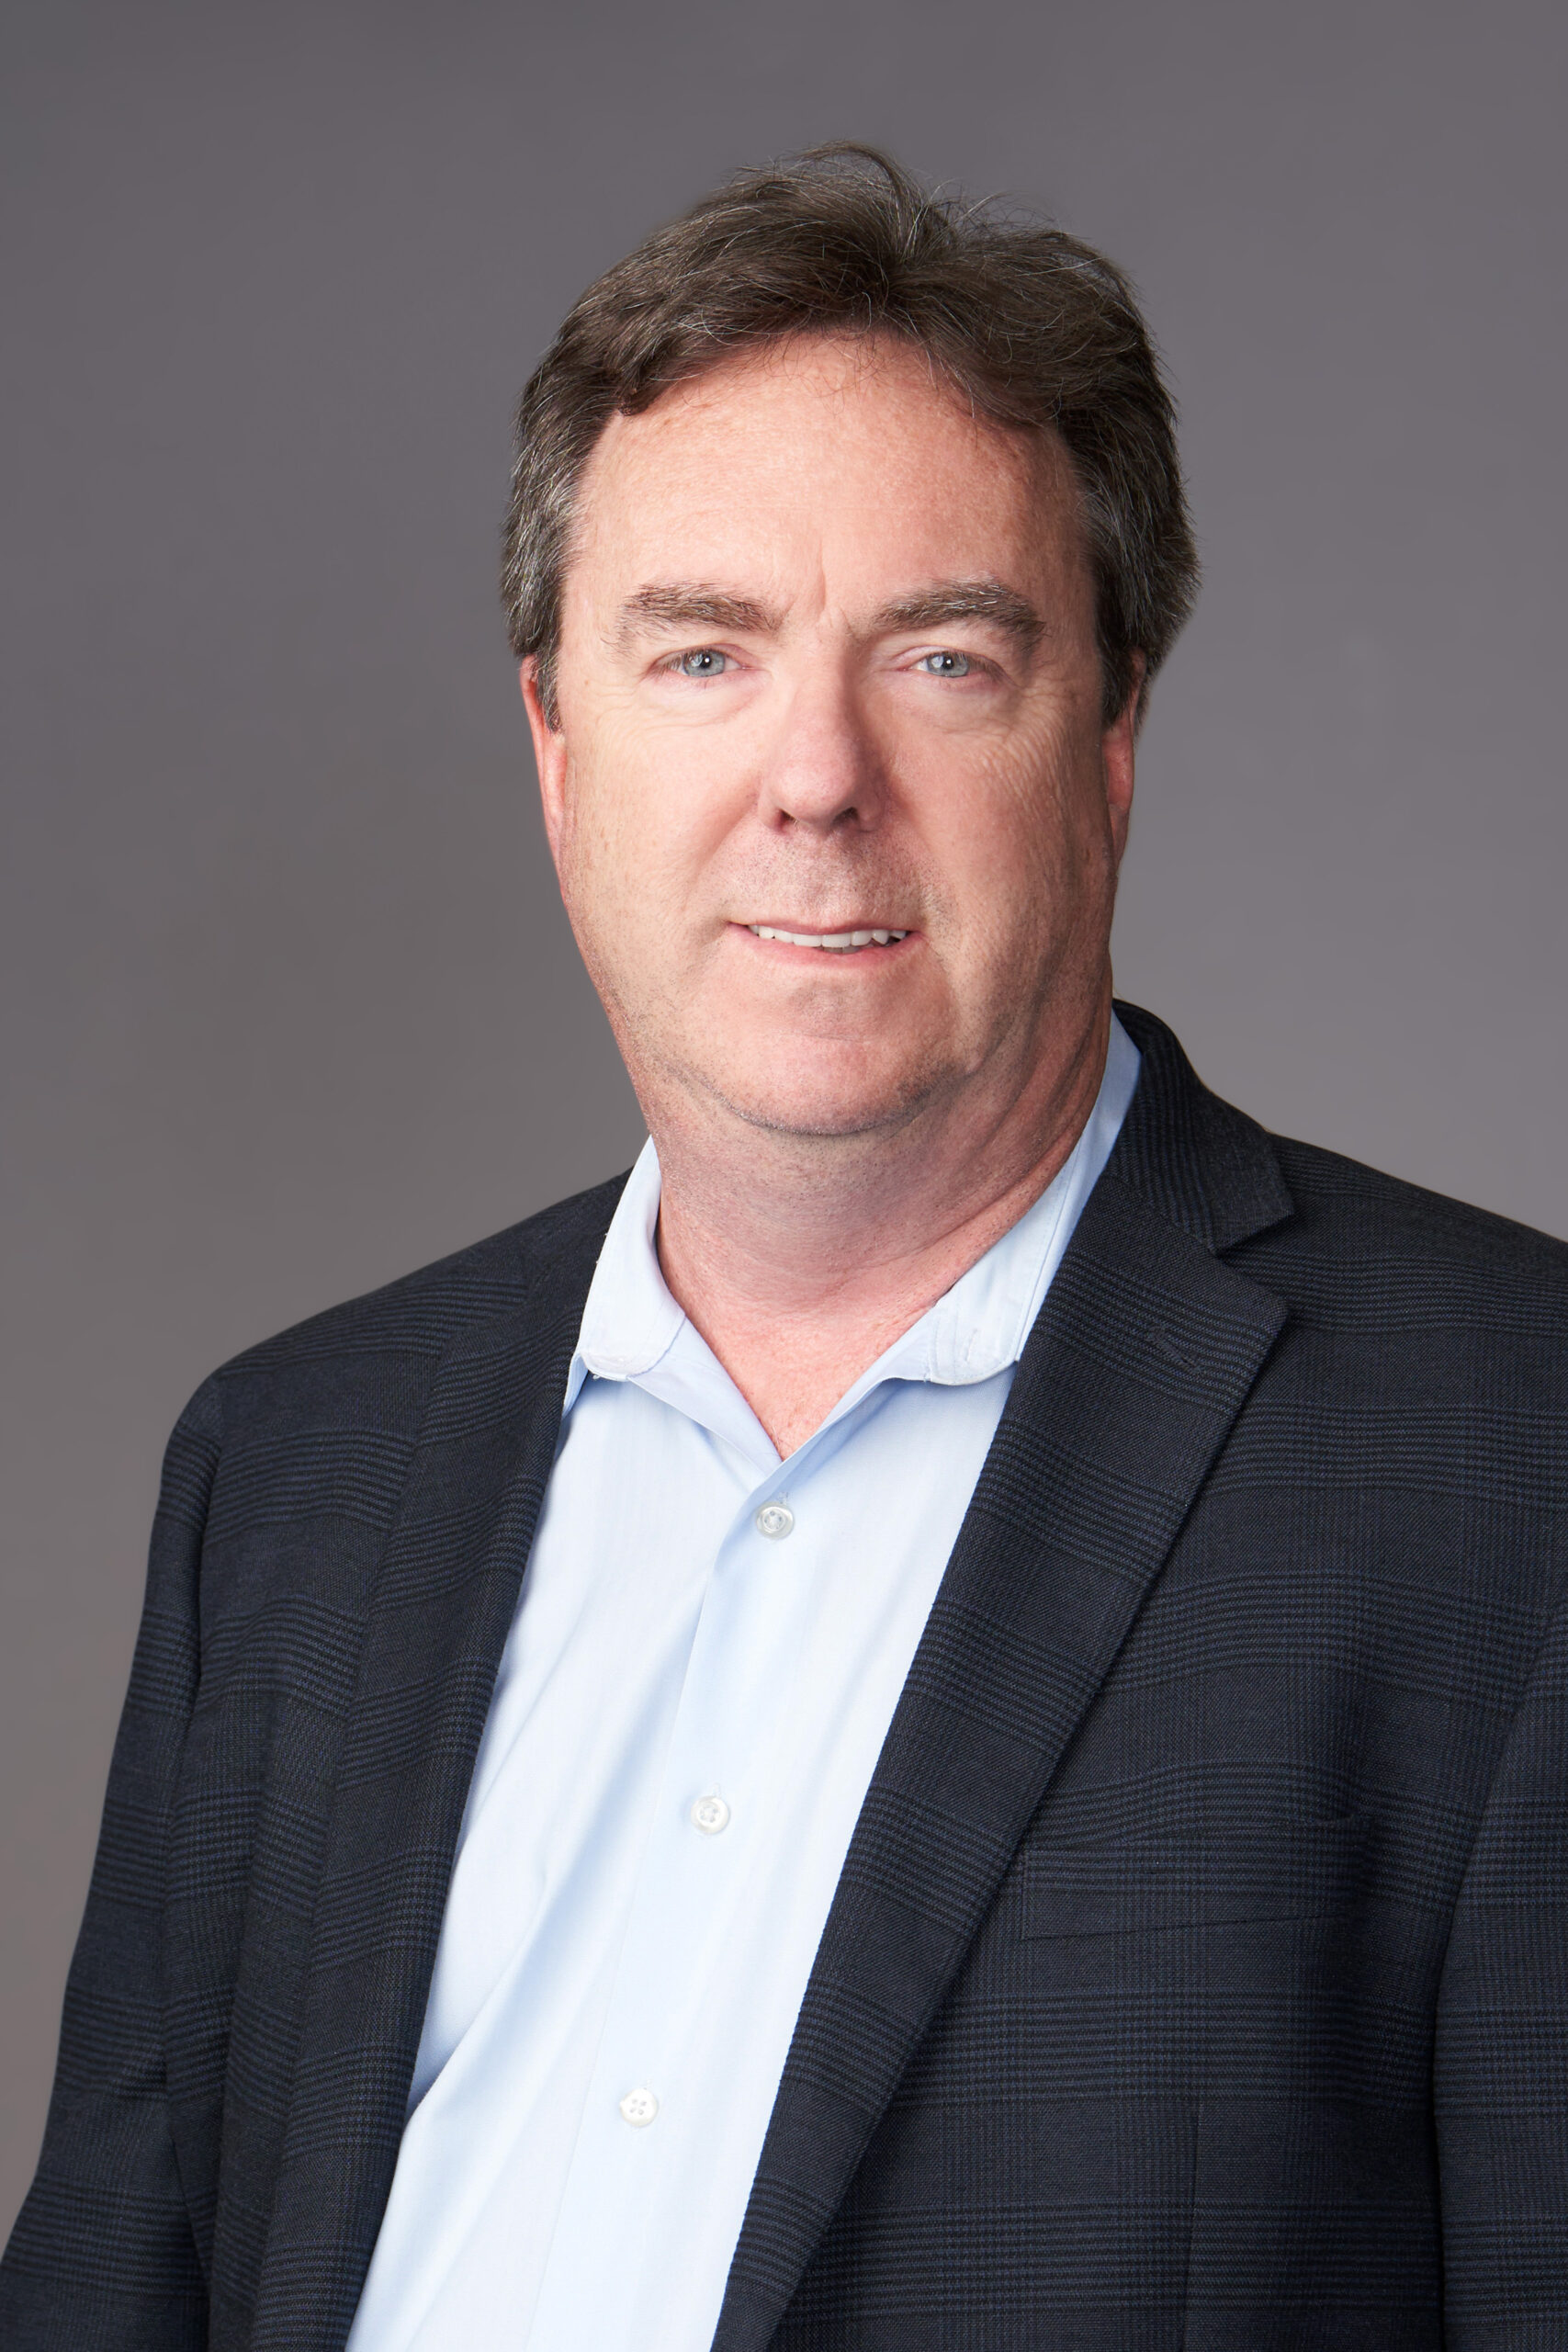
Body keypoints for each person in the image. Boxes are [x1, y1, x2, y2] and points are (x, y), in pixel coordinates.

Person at [3, 144, 1564, 2352]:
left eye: (940, 656)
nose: (814, 777)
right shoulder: (289, 1473)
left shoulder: (1505, 1464)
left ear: (1109, 736)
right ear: (557, 746)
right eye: (701, 653)